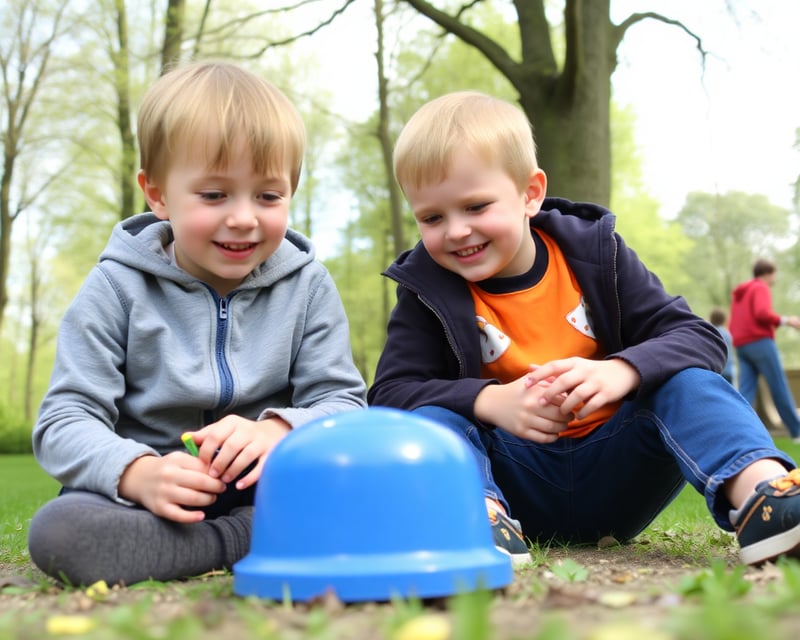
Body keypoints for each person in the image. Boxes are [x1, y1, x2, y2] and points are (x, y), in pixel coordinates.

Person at [368, 90, 800, 568]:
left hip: (618, 470)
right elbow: (390, 393)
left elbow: (698, 337)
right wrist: (489, 401)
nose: (455, 231)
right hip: (510, 481)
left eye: (475, 207)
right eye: (432, 217)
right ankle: (471, 521)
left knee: (688, 379)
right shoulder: (424, 287)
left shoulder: (597, 255)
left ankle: (766, 496)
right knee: (434, 418)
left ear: (530, 194)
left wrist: (623, 370)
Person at [28, 61, 367, 586]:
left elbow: (344, 404)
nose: (243, 217)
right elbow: (64, 421)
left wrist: (277, 428)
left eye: (268, 195)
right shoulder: (115, 287)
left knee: (368, 486)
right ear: (158, 194)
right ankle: (249, 540)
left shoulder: (308, 286)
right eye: (214, 195)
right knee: (59, 532)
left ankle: (228, 539)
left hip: (265, 485)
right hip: (149, 499)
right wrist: (138, 473)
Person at [729, 259, 800, 440]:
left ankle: (737, 432)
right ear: (769, 273)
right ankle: (797, 431)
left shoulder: (741, 292)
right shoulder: (760, 287)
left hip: (741, 345)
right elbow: (761, 313)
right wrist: (786, 320)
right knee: (778, 385)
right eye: (775, 274)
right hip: (760, 342)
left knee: (745, 390)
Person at [710, 307, 736, 385]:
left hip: (716, 371)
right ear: (724, 319)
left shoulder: (710, 332)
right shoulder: (728, 334)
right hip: (729, 370)